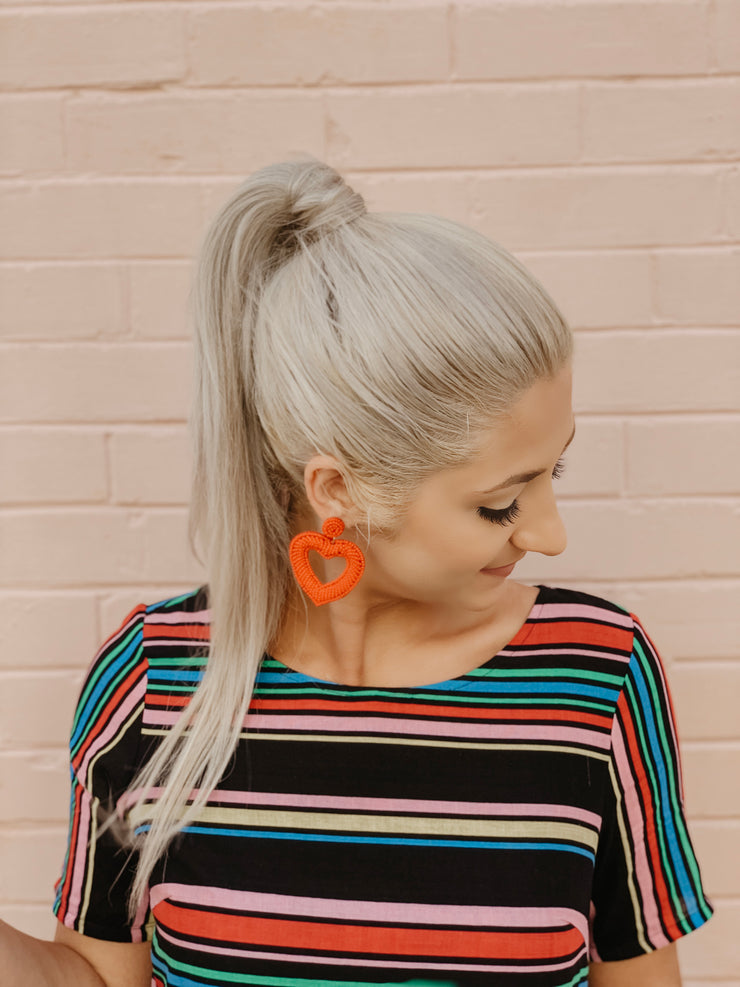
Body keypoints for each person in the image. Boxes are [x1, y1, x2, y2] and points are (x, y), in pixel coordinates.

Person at [3, 160, 712, 986]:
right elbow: (95, 976)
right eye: (500, 502)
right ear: (337, 490)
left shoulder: (599, 671)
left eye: (554, 472)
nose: (550, 535)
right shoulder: (155, 678)